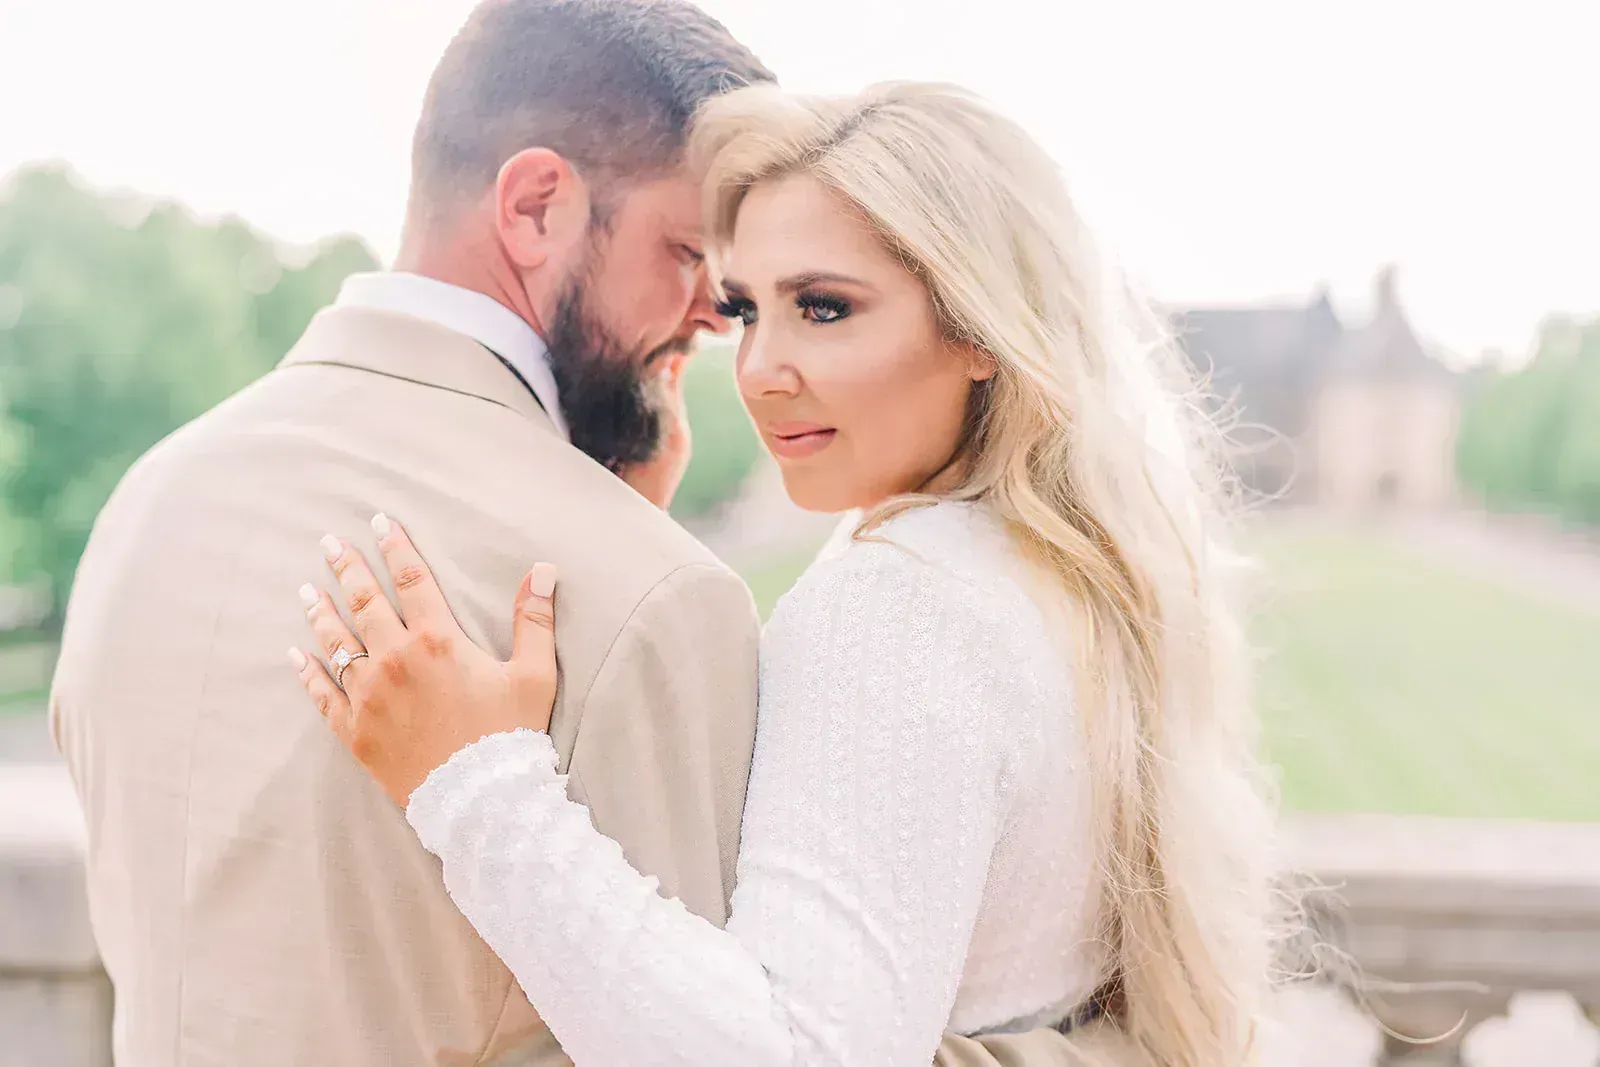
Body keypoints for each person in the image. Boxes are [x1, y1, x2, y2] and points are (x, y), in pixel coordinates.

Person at [49, 1, 1103, 1062]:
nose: (715, 320)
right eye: (689, 255)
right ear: (536, 206)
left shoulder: (146, 504)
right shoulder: (652, 598)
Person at [292, 81, 1278, 1067]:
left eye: (823, 307)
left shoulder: (900, 603)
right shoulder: (1063, 574)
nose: (759, 368)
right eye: (744, 310)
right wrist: (629, 539)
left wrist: (474, 783)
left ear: (979, 330)